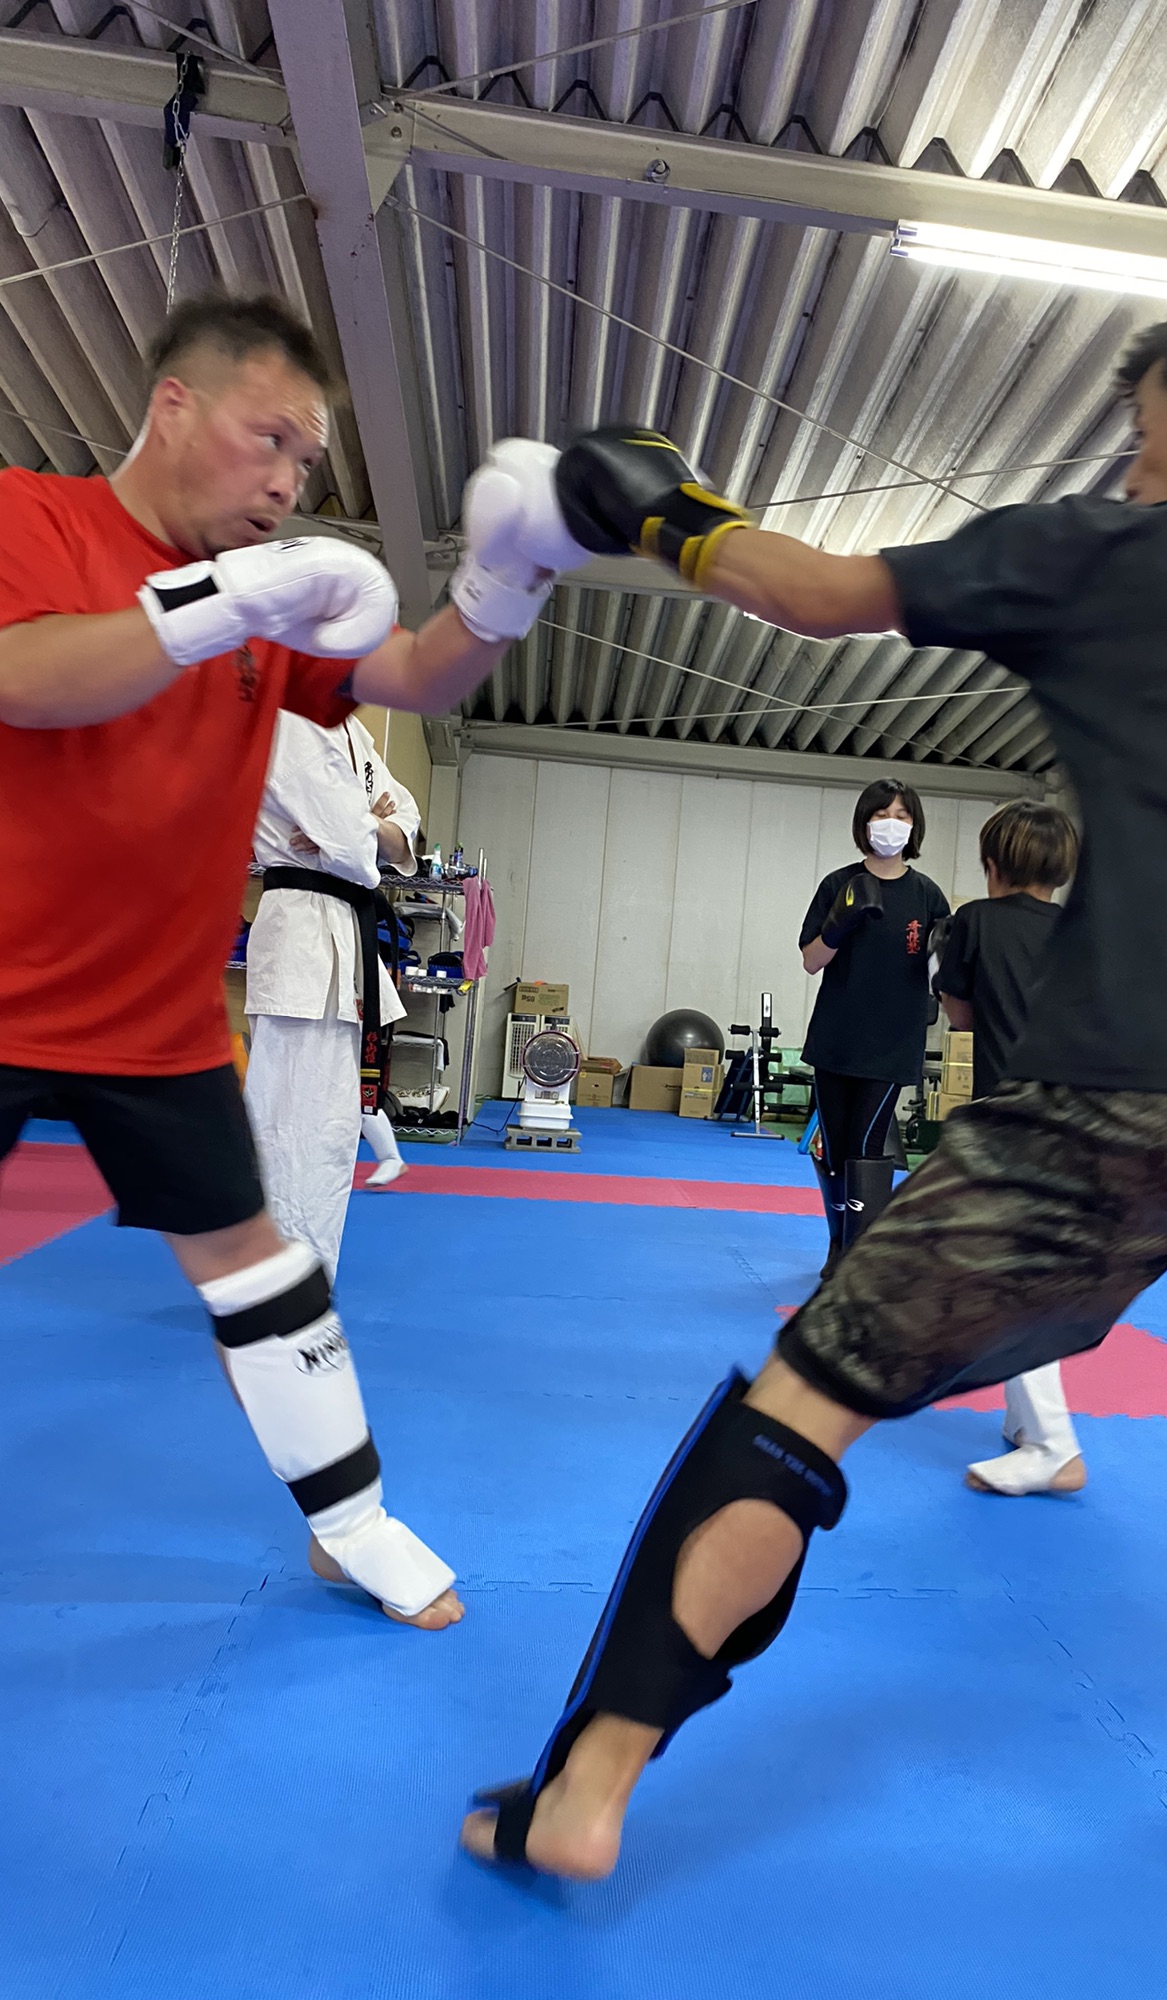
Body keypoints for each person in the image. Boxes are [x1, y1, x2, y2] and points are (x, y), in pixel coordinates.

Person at [462, 286, 1167, 1906]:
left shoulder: (1111, 550)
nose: (1134, 468)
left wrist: (658, 509)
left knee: (807, 1400)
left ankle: (585, 1791)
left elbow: (809, 594)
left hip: (1117, 1099)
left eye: (1146, 431)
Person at [0, 291, 591, 1632]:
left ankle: (353, 1525)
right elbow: (28, 676)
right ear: (175, 407)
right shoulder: (34, 516)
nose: (288, 482)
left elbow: (420, 674)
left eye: (307, 463)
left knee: (261, 1271)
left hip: (152, 1023)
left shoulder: (266, 613)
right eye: (269, 440)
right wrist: (216, 603)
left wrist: (511, 577)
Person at [935, 800, 1085, 1498]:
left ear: (991, 865)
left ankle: (1054, 1445)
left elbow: (960, 1015)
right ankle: (1026, 1421)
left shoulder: (975, 923)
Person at [244, 709, 419, 1276]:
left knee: (333, 1132)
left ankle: (310, 1274)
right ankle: (279, 1278)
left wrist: (367, 831)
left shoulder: (355, 734)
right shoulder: (291, 721)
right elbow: (351, 845)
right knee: (287, 1126)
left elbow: (405, 824)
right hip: (302, 934)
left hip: (345, 934)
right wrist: (366, 832)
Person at [800, 780, 949, 1277]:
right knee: (836, 1149)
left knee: (867, 1145)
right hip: (836, 1037)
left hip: (892, 1042)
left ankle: (857, 1253)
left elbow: (943, 972)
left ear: (915, 826)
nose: (892, 823)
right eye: (882, 813)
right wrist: (838, 925)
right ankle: (838, 1242)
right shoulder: (838, 884)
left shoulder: (927, 895)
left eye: (902, 815)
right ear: (864, 822)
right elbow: (811, 961)